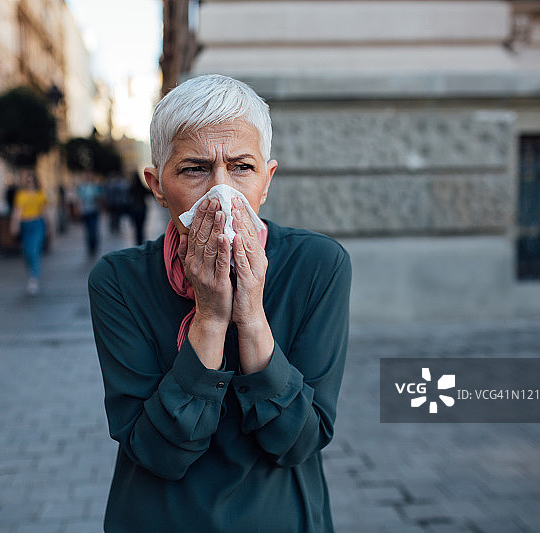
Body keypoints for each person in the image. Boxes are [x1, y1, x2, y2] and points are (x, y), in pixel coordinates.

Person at [88, 74, 351, 532]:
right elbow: (157, 451)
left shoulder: (317, 266)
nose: (221, 193)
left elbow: (299, 440)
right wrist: (210, 316)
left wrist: (249, 315)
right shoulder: (119, 280)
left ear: (266, 181)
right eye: (194, 169)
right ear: (156, 184)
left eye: (241, 168)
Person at [10, 171, 47, 294]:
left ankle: (34, 278)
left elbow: (44, 211)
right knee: (26, 252)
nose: (30, 182)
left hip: (37, 224)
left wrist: (50, 227)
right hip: (25, 225)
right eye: (28, 180)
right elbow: (17, 211)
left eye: (31, 180)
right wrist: (14, 225)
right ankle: (31, 273)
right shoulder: (20, 195)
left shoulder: (40, 194)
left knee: (34, 251)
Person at [76, 170, 103, 256]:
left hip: (94, 211)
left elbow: (99, 197)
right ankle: (90, 247)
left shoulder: (95, 186)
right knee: (88, 231)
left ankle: (94, 246)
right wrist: (79, 210)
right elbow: (79, 199)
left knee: (94, 230)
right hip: (85, 212)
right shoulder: (81, 187)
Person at [127, 170, 151, 245]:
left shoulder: (131, 187)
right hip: (142, 208)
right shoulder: (142, 187)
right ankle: (141, 240)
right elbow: (148, 194)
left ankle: (137, 241)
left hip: (134, 209)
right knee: (141, 227)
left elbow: (128, 198)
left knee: (136, 227)